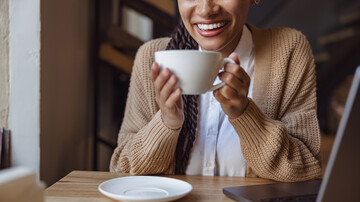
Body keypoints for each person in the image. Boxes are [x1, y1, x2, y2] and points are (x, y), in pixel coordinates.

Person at [110, 0, 322, 182]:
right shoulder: (153, 57)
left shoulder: (288, 50)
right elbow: (122, 169)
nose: (206, 9)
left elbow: (306, 169)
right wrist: (166, 123)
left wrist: (245, 115)